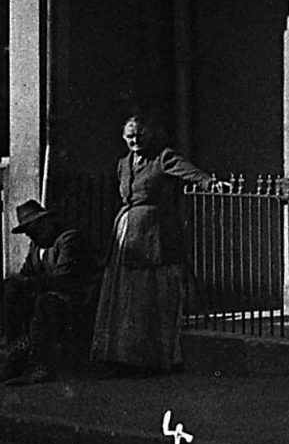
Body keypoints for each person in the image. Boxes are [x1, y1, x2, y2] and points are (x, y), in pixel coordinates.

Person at [90, 114, 213, 373]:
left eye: (140, 135)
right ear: (124, 138)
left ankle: (149, 358)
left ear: (149, 135)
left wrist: (207, 181)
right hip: (125, 233)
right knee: (124, 297)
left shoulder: (162, 157)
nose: (135, 140)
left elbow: (185, 169)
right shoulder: (123, 164)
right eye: (130, 136)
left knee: (148, 295)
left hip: (151, 234)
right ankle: (121, 356)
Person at [0, 199, 89, 384]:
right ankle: (15, 360)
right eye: (29, 233)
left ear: (47, 222)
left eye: (36, 230)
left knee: (44, 302)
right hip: (48, 294)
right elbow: (27, 273)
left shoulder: (67, 239)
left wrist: (29, 284)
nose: (32, 236)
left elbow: (63, 279)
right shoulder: (36, 246)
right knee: (14, 295)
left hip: (74, 301)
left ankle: (40, 367)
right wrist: (18, 283)